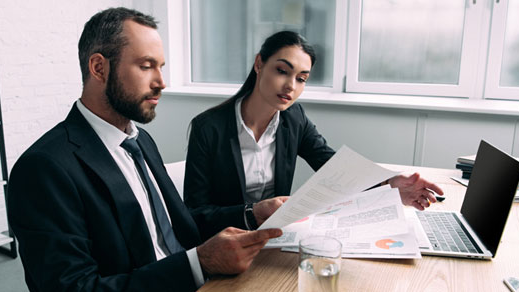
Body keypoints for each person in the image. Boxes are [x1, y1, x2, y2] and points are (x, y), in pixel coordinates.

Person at [7, 7, 282, 292]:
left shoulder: (141, 140)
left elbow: (179, 224)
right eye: (146, 66)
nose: (161, 82)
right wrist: (199, 264)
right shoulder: (43, 168)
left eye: (161, 67)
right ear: (99, 68)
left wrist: (252, 213)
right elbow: (75, 288)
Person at [184, 31, 444, 240]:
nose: (291, 86)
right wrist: (253, 213)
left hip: (273, 241)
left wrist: (388, 184)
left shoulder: (294, 118)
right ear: (259, 63)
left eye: (302, 78)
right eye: (282, 71)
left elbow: (335, 167)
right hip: (226, 245)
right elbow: (195, 215)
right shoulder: (208, 128)